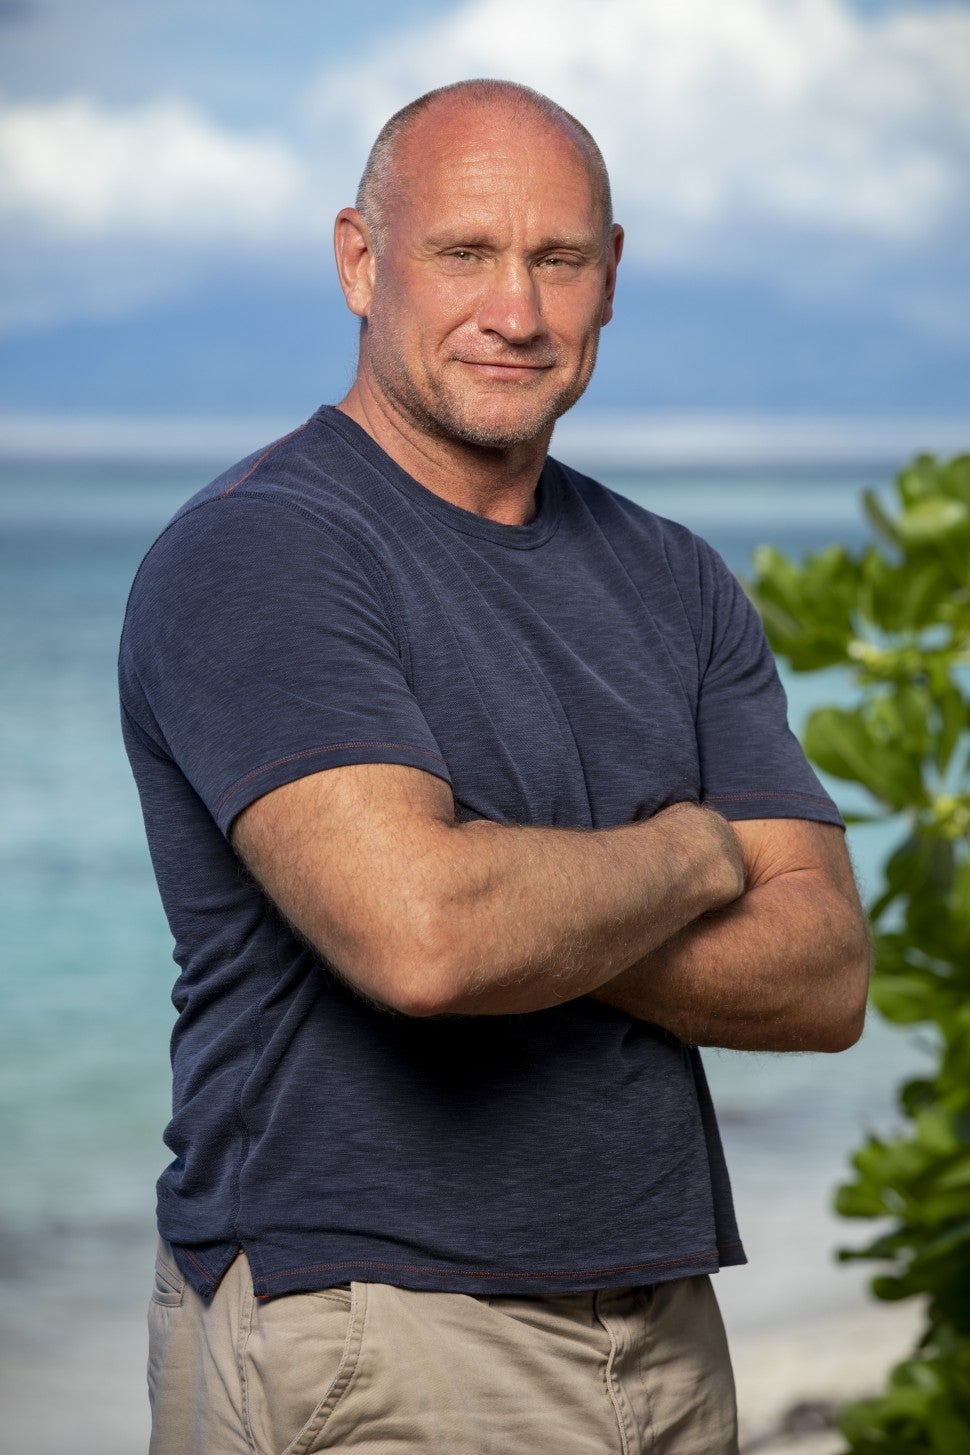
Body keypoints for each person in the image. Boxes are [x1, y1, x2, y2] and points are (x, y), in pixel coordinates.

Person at [120, 78, 870, 1455]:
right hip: (375, 1322)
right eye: (464, 252)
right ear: (360, 261)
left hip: (665, 1319)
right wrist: (695, 851)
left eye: (557, 260)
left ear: (611, 275)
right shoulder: (264, 552)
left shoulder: (673, 577)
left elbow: (825, 978)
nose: (516, 312)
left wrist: (522, 898)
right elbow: (425, 939)